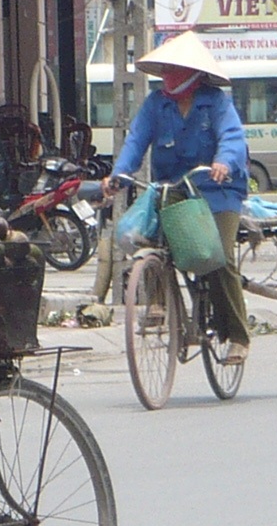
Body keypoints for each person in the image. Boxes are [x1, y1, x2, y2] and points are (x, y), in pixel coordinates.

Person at [102, 30, 251, 365]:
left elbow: (232, 136)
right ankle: (157, 302)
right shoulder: (157, 104)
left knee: (218, 256)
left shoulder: (217, 103)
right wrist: (118, 176)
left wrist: (223, 163)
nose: (169, 76)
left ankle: (239, 337)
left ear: (194, 74)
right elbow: (136, 141)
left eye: (176, 69)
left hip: (218, 190)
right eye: (166, 69)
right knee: (146, 238)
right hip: (174, 187)